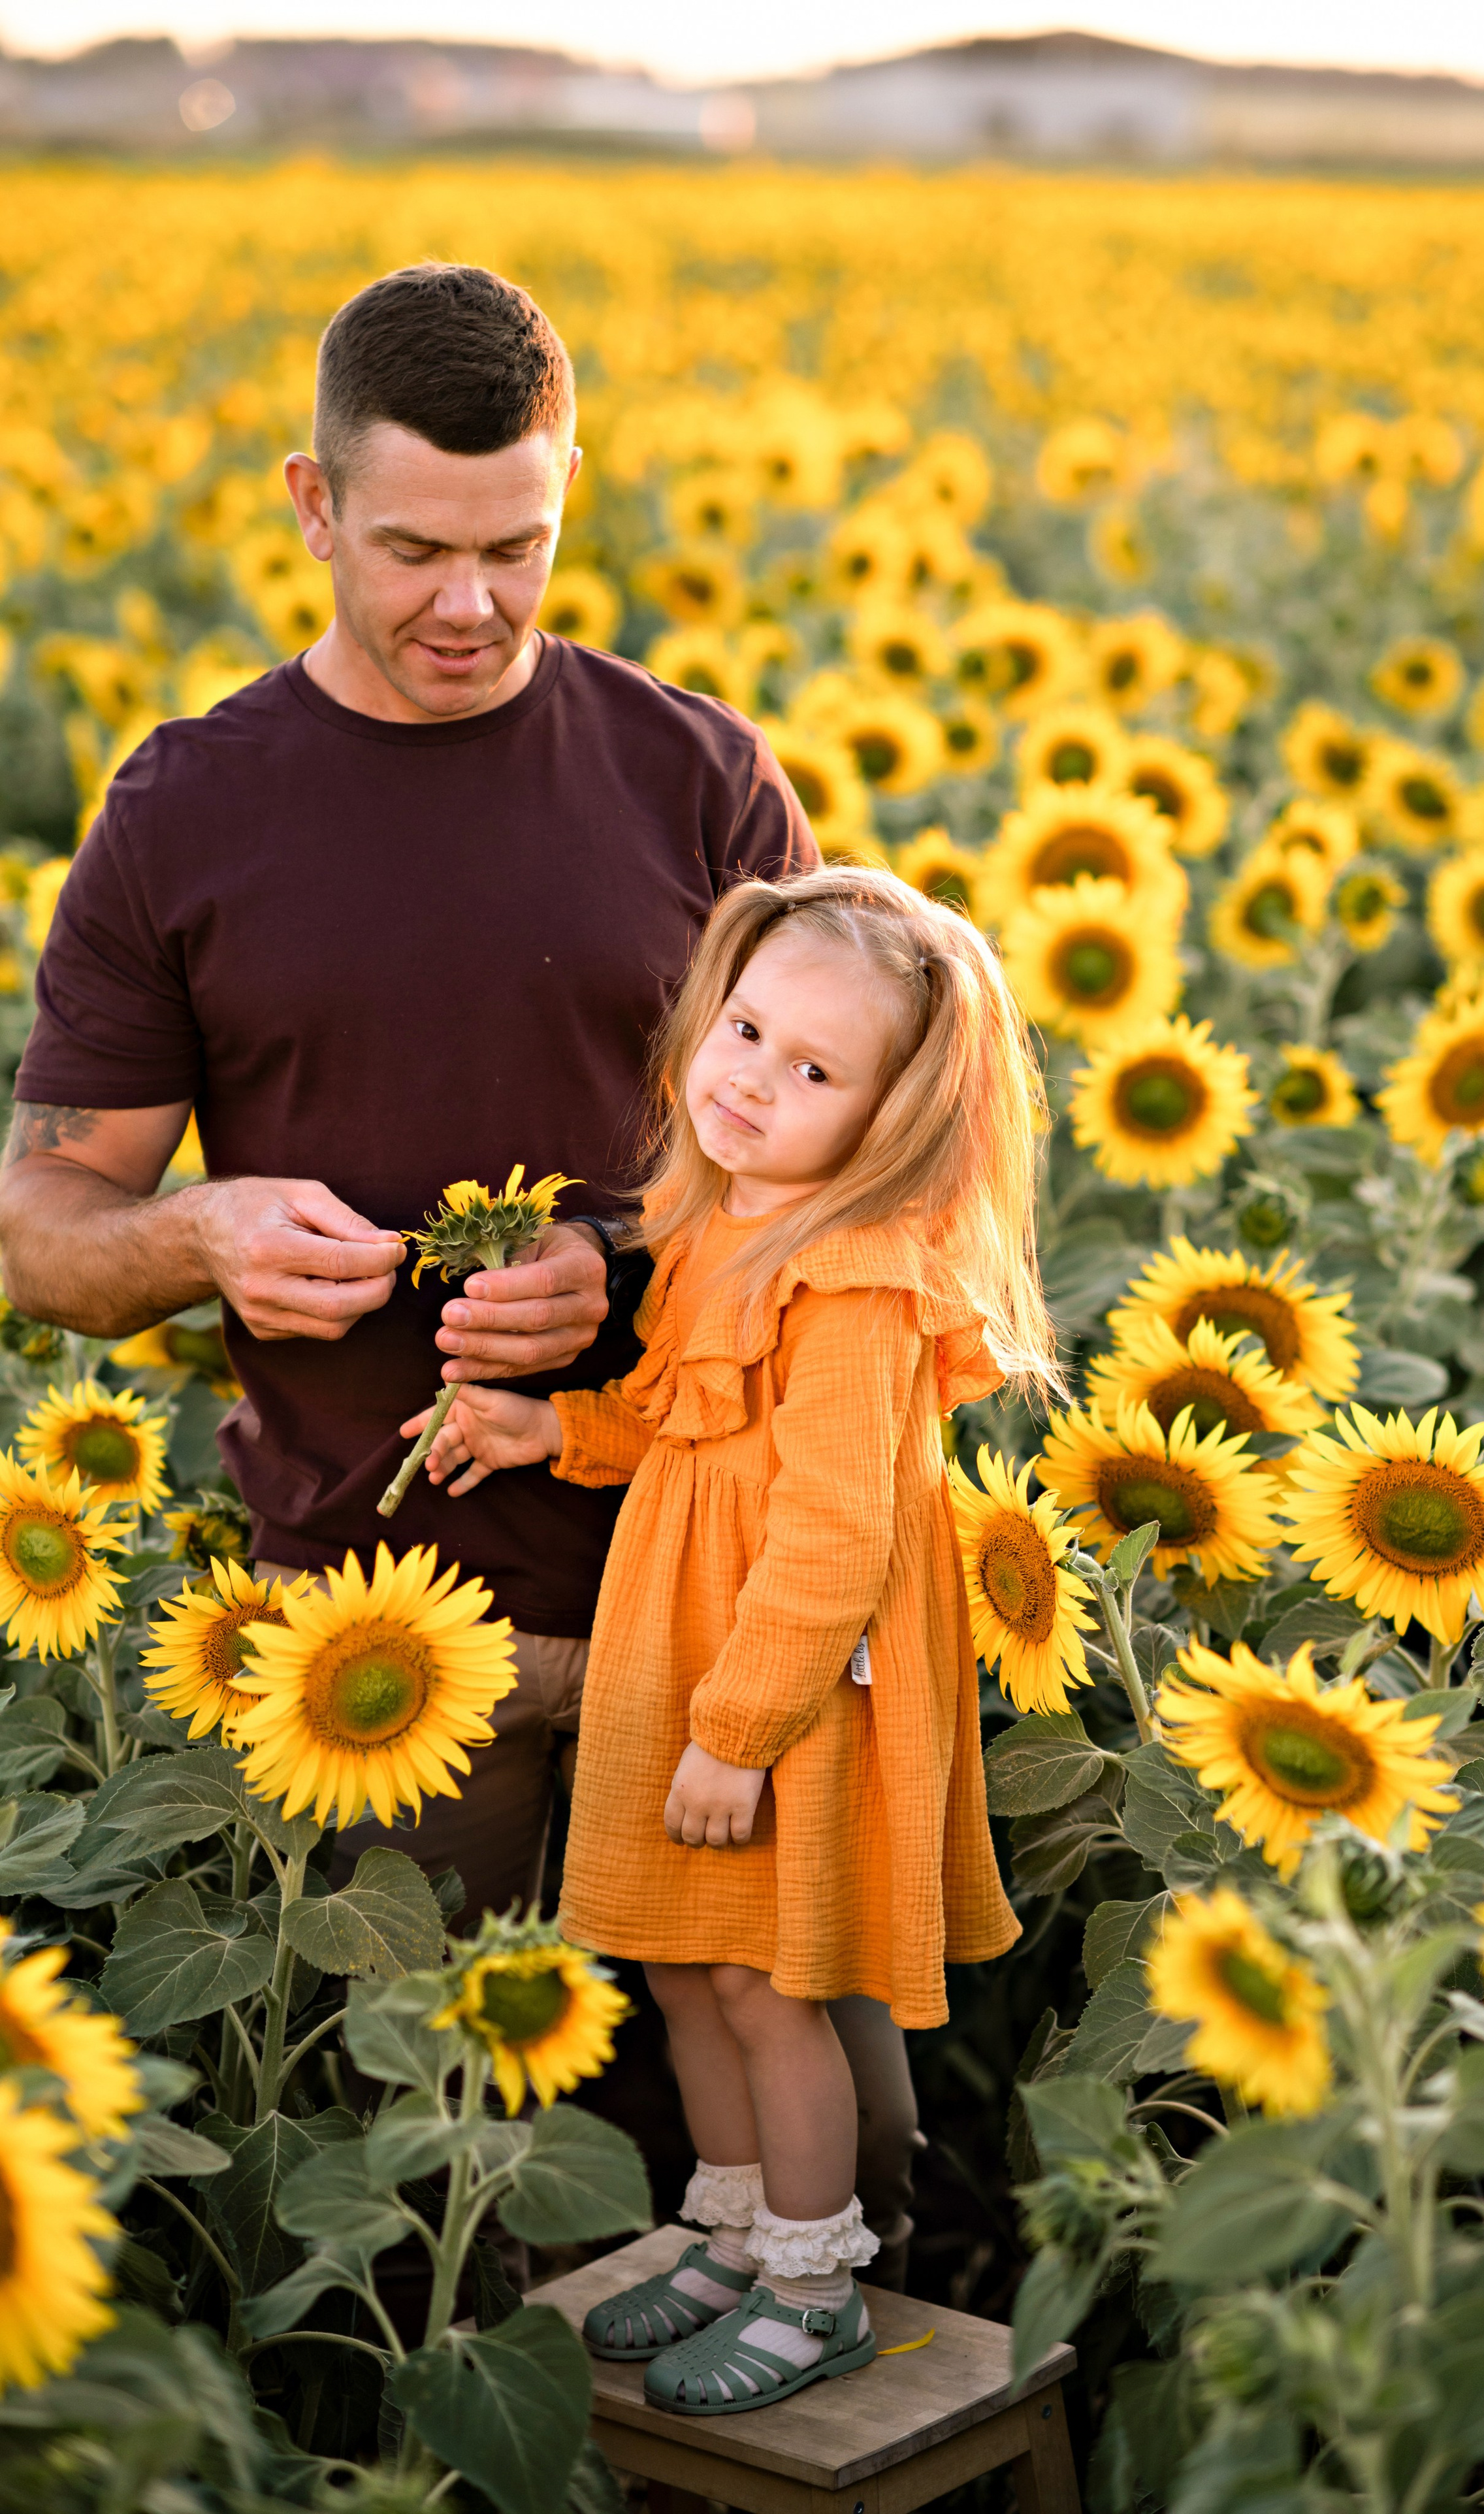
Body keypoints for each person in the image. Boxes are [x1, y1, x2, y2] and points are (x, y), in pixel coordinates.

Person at [0, 267, 931, 2283]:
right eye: (414, 547)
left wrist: (618, 1273)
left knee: (829, 2166)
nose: (469, 605)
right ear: (312, 507)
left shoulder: (694, 776)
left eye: (519, 547)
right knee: (452, 2208)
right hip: (395, 1646)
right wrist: (198, 1237)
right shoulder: (187, 810)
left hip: (725, 1610)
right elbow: (46, 1228)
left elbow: (852, 1168)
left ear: (568, 495)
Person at [415, 864, 1054, 2413]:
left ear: (889, 1121)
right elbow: (678, 1425)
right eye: (747, 1029)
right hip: (685, 1651)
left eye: (814, 1069)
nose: (754, 1080)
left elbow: (832, 1538)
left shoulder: (850, 1287)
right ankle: (730, 2228)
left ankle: (815, 2280)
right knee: (685, 1966)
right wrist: (543, 1425)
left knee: (768, 1987)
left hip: (775, 1684)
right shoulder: (725, 1225)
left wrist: (736, 1729)